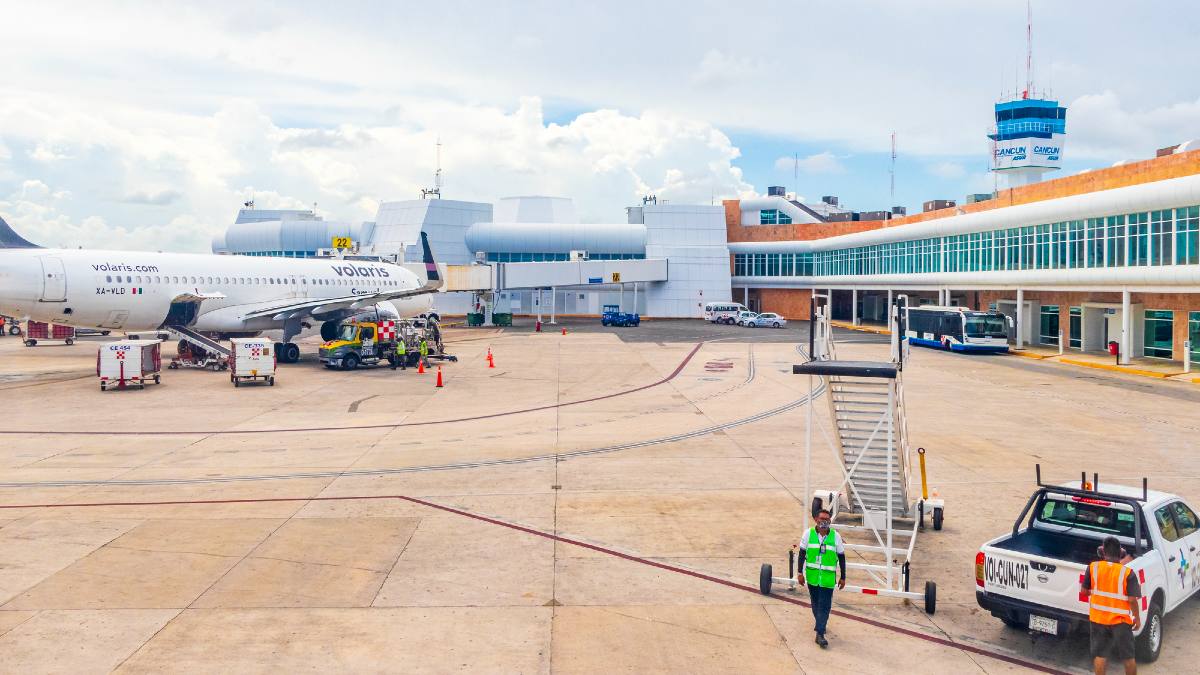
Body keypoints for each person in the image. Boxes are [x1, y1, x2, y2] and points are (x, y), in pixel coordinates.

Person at [1082, 536, 1141, 675]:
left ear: (1102, 552)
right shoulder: (1127, 573)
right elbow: (1132, 600)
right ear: (1120, 553)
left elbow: (1084, 592)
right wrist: (1137, 618)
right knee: (1128, 657)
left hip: (1098, 620)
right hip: (1120, 621)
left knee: (1100, 656)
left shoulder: (1093, 568)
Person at [800, 508, 846, 648]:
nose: (824, 522)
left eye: (827, 520)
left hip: (827, 579)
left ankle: (820, 633)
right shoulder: (808, 534)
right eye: (822, 519)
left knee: (825, 606)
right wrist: (799, 573)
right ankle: (821, 624)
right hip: (813, 577)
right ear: (816, 519)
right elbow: (802, 554)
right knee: (815, 604)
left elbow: (842, 557)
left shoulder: (835, 536)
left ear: (830, 521)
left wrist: (843, 577)